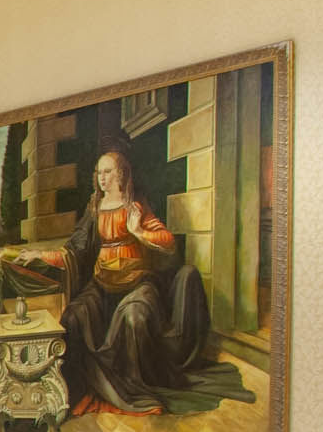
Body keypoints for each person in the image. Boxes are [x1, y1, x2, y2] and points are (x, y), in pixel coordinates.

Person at [16, 146, 216, 415]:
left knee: (135, 318)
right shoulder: (95, 207)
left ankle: (134, 389)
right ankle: (76, 389)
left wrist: (139, 231)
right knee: (73, 317)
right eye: (99, 172)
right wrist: (40, 255)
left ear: (121, 174)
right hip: (102, 284)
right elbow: (75, 249)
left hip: (138, 284)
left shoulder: (136, 206)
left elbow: (167, 242)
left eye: (108, 172)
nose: (102, 177)